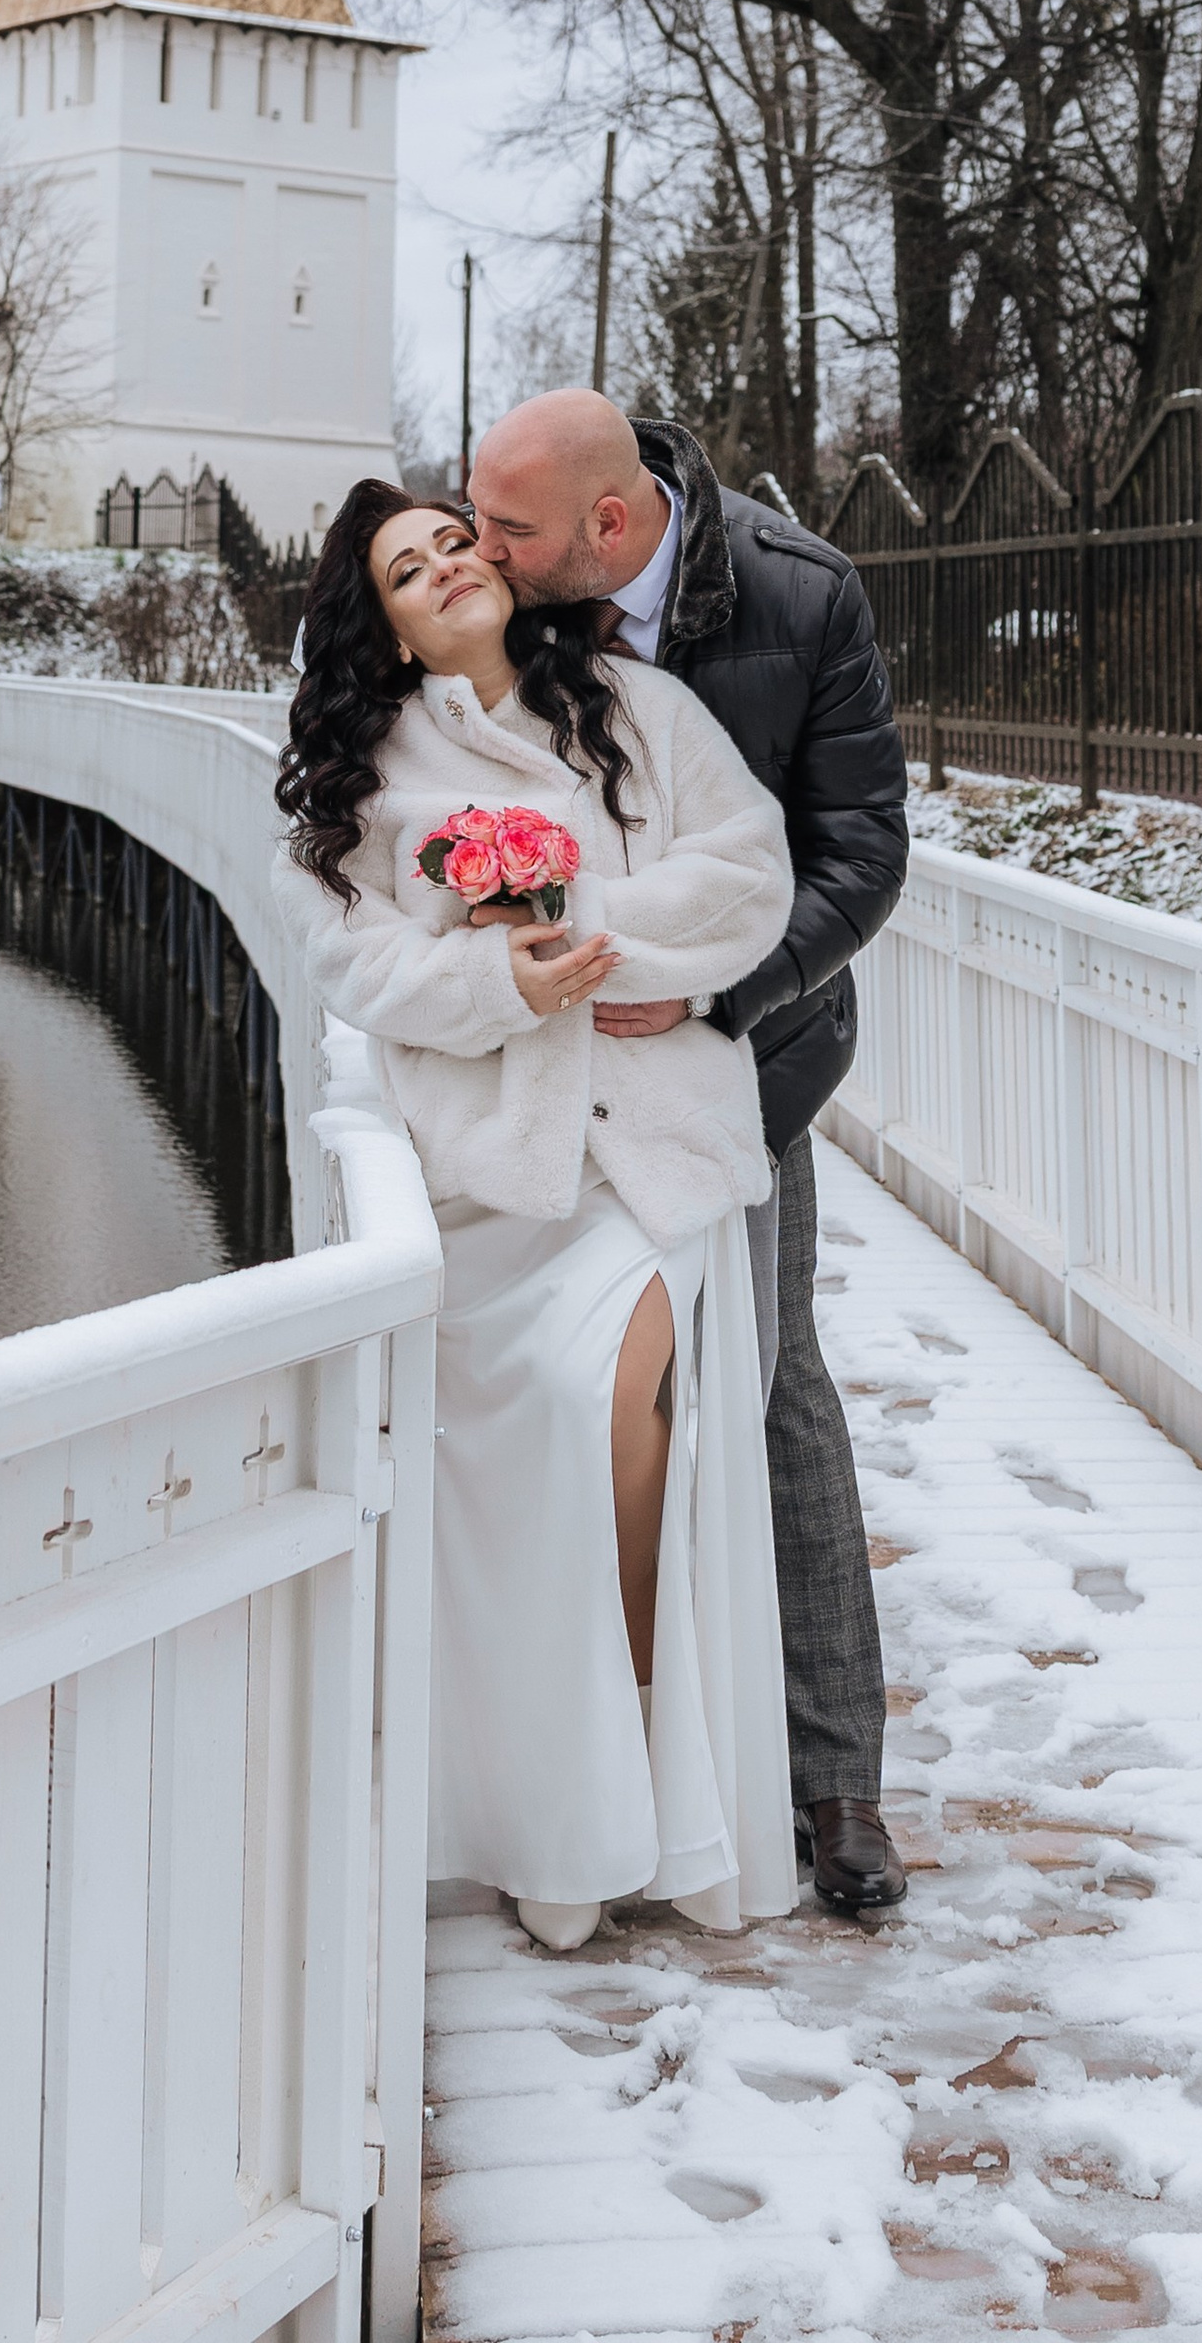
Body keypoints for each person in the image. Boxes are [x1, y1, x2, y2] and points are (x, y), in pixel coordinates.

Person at [272, 477, 799, 1953]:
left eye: (456, 540)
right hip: (493, 1174)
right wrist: (499, 980)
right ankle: (545, 1816)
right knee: (526, 1481)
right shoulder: (365, 776)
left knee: (617, 1395)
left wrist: (601, 944)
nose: (446, 566)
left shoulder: (635, 707)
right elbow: (357, 970)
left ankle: (639, 1751)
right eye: (407, 567)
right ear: (378, 622)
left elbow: (747, 868)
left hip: (648, 1157)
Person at [464, 391, 913, 1918]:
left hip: (748, 1057)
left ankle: (834, 1778)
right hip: (530, 1083)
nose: (480, 548)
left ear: (609, 524)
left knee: (772, 1378)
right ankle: (577, 1777)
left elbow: (859, 855)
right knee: (569, 1397)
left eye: (507, 526)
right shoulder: (506, 592)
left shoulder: (799, 595)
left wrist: (715, 992)